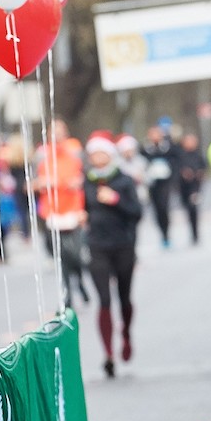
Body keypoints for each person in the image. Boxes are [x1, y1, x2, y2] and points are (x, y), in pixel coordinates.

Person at [82, 131, 143, 379]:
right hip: (97, 245)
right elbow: (84, 207)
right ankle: (108, 353)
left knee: (124, 298)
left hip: (123, 245)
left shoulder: (124, 181)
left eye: (102, 153)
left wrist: (116, 199)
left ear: (110, 155)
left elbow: (136, 213)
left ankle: (126, 335)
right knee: (104, 301)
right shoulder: (86, 181)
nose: (97, 158)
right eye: (93, 154)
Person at [33, 120, 88, 307]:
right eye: (53, 131)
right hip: (51, 209)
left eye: (60, 131)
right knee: (58, 254)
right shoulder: (41, 155)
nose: (56, 135)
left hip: (73, 207)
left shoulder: (76, 150)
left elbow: (87, 175)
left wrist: (78, 181)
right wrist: (40, 183)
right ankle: (67, 294)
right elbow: (32, 181)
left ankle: (79, 280)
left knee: (75, 253)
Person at [142, 124, 177, 248]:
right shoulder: (145, 149)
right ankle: (162, 234)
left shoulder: (168, 148)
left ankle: (167, 234)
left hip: (165, 183)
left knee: (164, 207)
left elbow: (176, 161)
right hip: (152, 184)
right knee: (157, 210)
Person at [174, 132, 206, 245]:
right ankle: (192, 232)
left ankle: (195, 234)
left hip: (195, 187)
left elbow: (203, 167)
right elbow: (176, 169)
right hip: (184, 187)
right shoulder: (180, 155)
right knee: (187, 210)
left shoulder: (198, 155)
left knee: (194, 210)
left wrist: (198, 173)